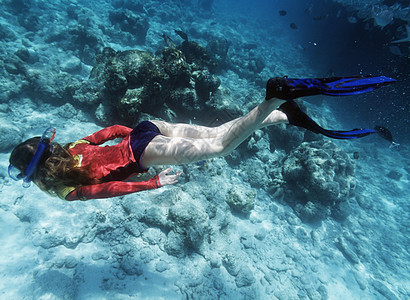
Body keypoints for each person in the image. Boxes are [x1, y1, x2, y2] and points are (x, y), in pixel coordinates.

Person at [8, 75, 396, 201]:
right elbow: (106, 132)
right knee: (215, 132)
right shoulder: (72, 147)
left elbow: (111, 190)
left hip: (145, 151)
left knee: (218, 146)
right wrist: (134, 134)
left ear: (33, 173)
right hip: (149, 129)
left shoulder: (64, 189)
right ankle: (281, 114)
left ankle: (277, 94)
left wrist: (152, 181)